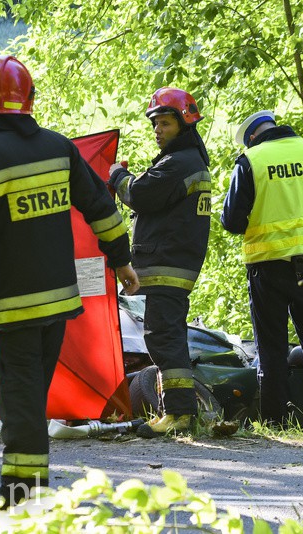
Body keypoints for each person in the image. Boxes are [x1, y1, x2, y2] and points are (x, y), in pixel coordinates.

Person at [0, 55, 139, 506]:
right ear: (30, 100)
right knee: (30, 390)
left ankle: (22, 491)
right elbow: (102, 207)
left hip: (14, 303)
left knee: (18, 392)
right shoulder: (59, 148)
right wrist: (122, 261)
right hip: (59, 300)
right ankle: (29, 486)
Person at [221, 110, 303, 427]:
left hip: (268, 267)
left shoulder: (251, 160)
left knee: (272, 348)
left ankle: (275, 423)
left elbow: (232, 221)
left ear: (251, 137)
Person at [107, 87, 211, 437]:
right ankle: (178, 412)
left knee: (164, 338)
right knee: (165, 336)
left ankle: (180, 414)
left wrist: (117, 176)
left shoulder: (179, 163)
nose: (158, 130)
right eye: (156, 125)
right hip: (173, 263)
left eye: (165, 123)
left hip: (168, 264)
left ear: (184, 124)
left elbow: (139, 194)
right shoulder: (186, 161)